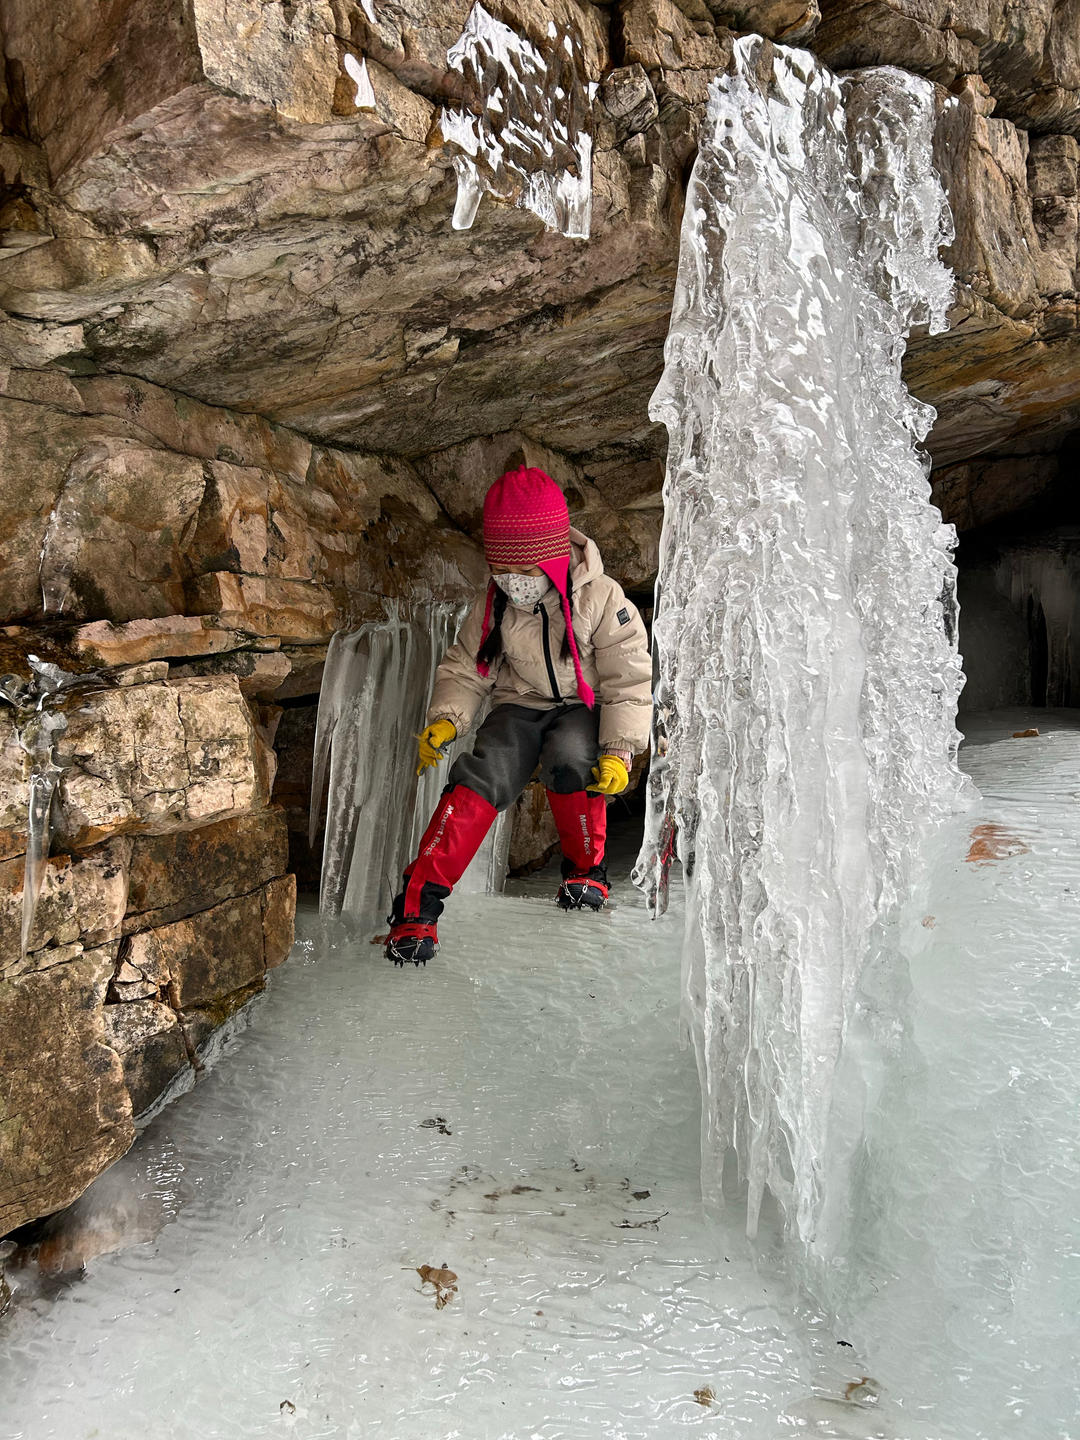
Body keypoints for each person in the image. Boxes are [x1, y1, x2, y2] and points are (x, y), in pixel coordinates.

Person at [385, 464, 653, 966]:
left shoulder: (602, 599)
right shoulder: (495, 603)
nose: (517, 584)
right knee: (480, 777)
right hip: (518, 705)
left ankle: (585, 872)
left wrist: (619, 751)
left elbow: (628, 680)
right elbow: (467, 669)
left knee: (574, 758)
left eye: (527, 573)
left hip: (580, 707)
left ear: (553, 558)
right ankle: (416, 908)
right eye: (505, 573)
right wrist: (448, 718)